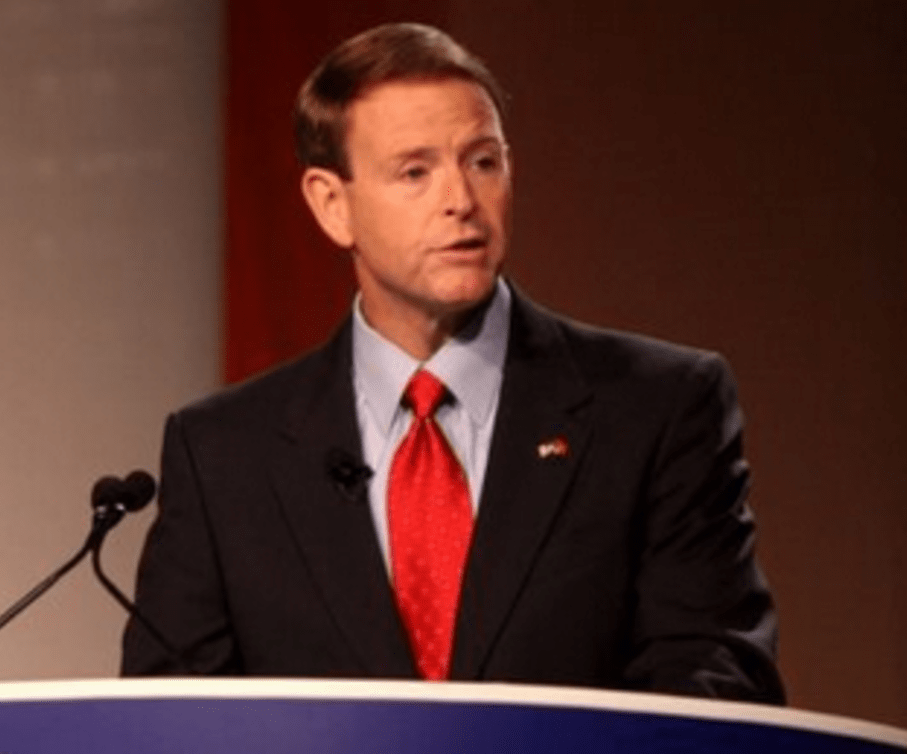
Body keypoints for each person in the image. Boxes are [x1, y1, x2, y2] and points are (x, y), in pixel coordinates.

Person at [121, 22, 784, 703]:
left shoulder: (657, 408)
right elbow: (167, 721)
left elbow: (715, 683)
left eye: (482, 162)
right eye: (415, 171)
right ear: (331, 204)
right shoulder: (224, 453)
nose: (461, 201)